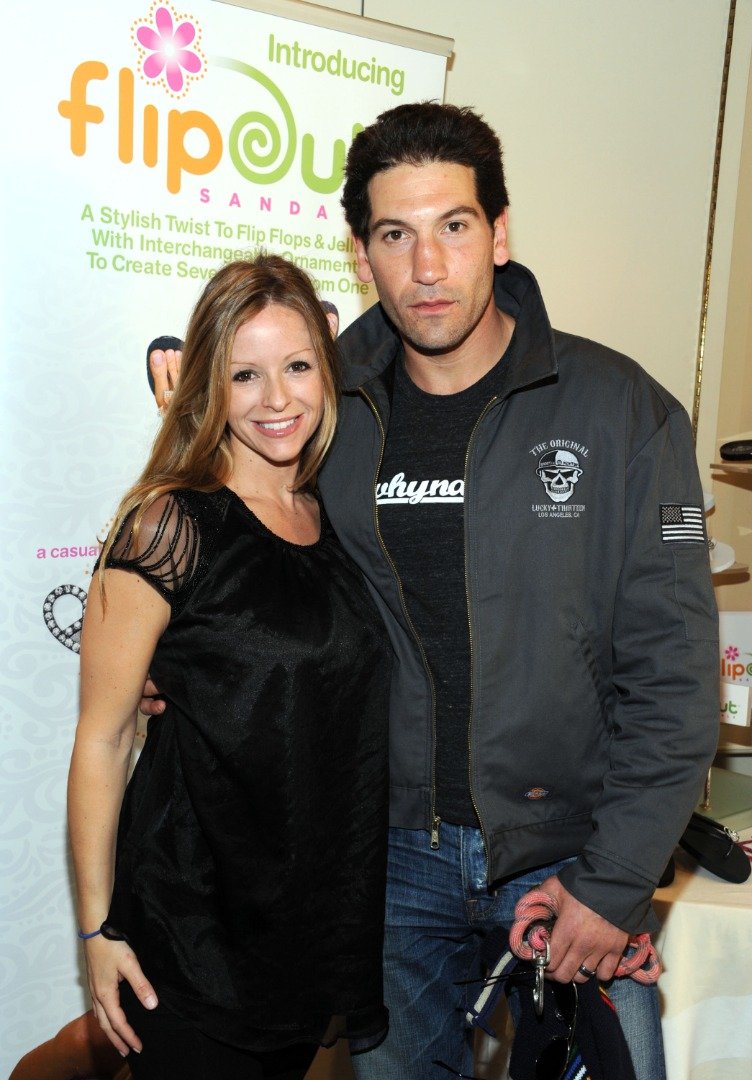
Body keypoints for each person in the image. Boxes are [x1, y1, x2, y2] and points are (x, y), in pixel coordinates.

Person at [146, 103, 719, 1080]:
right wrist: (182, 668)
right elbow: (244, 552)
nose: (424, 266)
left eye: (452, 226)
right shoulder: (320, 404)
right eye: (393, 234)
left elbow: (674, 671)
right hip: (382, 862)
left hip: (569, 858)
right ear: (358, 251)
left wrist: (614, 882)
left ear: (498, 231)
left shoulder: (625, 411)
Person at [68, 255, 392, 1080]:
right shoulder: (167, 526)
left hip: (308, 934)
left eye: (296, 367)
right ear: (208, 382)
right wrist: (97, 933)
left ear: (328, 372)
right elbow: (102, 740)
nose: (276, 400)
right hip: (191, 936)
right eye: (245, 375)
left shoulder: (333, 517)